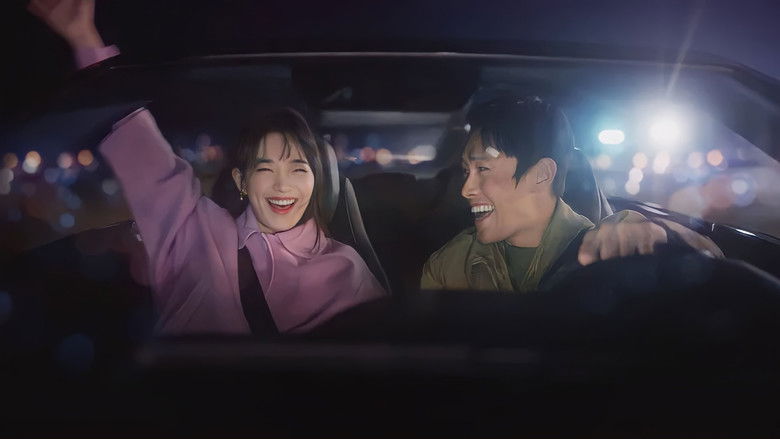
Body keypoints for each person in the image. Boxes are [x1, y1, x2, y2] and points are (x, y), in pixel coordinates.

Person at [29, 0, 387, 335]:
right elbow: (145, 154)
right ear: (241, 180)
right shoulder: (200, 232)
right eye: (265, 168)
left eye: (298, 169)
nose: (283, 185)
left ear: (315, 181)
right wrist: (85, 39)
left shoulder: (347, 265)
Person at [421, 97, 723, 292]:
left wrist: (662, 236)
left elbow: (712, 269)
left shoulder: (613, 239)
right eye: (466, 171)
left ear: (541, 174)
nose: (466, 189)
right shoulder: (448, 265)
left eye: (483, 169)